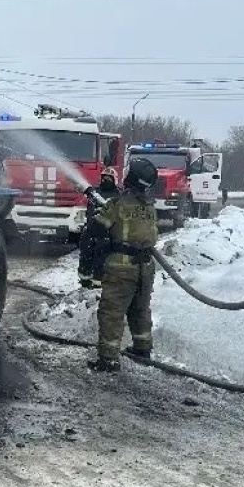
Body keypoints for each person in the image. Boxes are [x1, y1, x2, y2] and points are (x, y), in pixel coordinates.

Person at [80, 158, 160, 372]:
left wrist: (100, 215)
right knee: (140, 309)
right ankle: (142, 348)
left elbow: (96, 230)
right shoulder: (150, 207)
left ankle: (108, 359)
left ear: (130, 178)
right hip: (146, 267)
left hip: (122, 268)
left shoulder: (118, 205)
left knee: (111, 312)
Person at [77, 171, 121, 287]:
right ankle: (84, 279)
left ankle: (98, 282)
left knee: (101, 258)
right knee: (86, 255)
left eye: (109, 178)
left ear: (114, 179)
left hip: (107, 233)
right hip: (90, 230)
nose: (106, 180)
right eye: (104, 177)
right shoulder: (95, 193)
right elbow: (89, 209)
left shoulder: (119, 195)